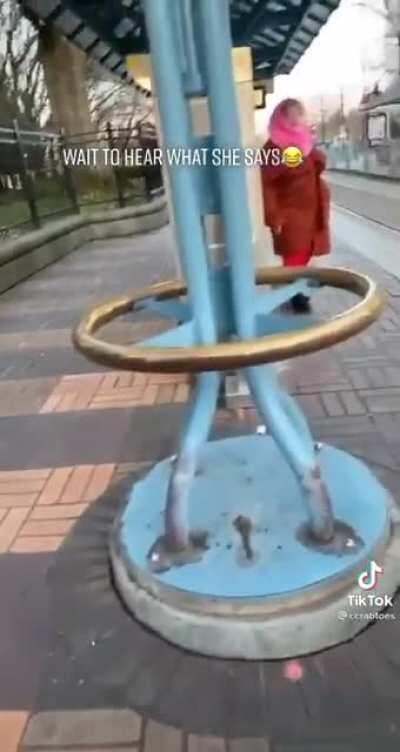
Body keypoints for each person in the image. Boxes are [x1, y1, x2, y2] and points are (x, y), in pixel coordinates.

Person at [261, 98, 331, 313]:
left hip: (312, 212)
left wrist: (311, 147)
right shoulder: (274, 147)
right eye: (292, 116)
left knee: (306, 252)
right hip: (290, 215)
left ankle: (296, 290)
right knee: (295, 256)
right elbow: (268, 186)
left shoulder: (302, 141)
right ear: (282, 118)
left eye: (299, 115)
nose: (297, 120)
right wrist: (274, 216)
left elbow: (316, 165)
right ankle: (297, 296)